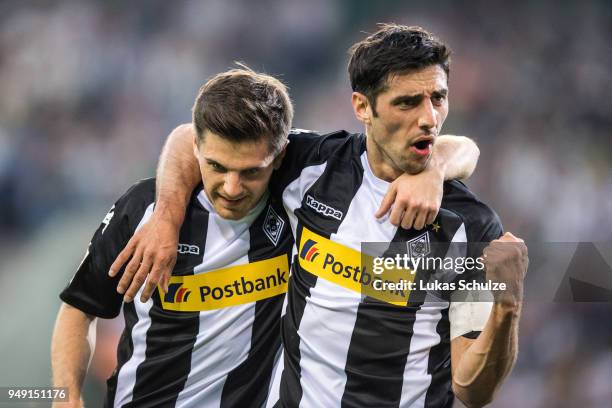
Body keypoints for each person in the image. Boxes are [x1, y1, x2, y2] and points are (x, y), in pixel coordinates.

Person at [114, 25, 529, 407]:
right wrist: (166, 219)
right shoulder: (313, 167)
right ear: (362, 107)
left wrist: (506, 310)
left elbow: (473, 389)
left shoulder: (470, 226)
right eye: (407, 102)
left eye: (438, 98)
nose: (429, 118)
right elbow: (194, 137)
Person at [51, 65, 480, 407]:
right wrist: (66, 395)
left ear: (279, 159)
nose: (232, 188)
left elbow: (463, 146)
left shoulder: (298, 200)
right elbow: (80, 307)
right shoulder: (145, 211)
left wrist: (434, 167)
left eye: (251, 172)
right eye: (217, 167)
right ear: (198, 150)